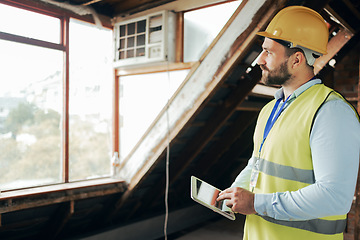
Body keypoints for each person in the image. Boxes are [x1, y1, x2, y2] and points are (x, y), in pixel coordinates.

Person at [216, 5, 360, 240]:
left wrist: (256, 203)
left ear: (296, 60)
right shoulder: (269, 109)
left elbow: (335, 197)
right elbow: (257, 164)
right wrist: (234, 192)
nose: (260, 60)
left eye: (269, 52)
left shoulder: (331, 112)